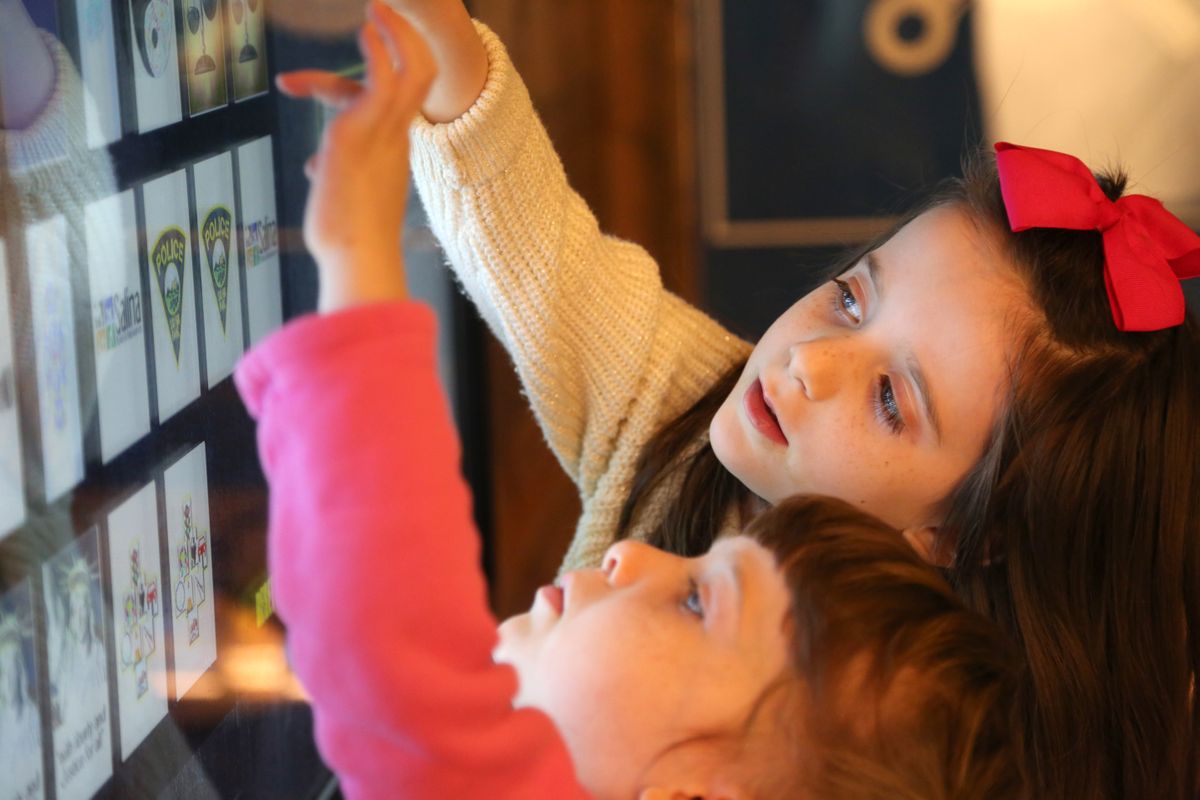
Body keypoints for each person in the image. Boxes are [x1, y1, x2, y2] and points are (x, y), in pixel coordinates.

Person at [278, 2, 1200, 798]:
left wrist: (352, 260)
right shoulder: (693, 413)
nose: (813, 362)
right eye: (851, 295)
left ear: (963, 538)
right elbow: (537, 246)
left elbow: (395, 669)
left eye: (890, 399)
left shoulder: (878, 743)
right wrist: (430, 37)